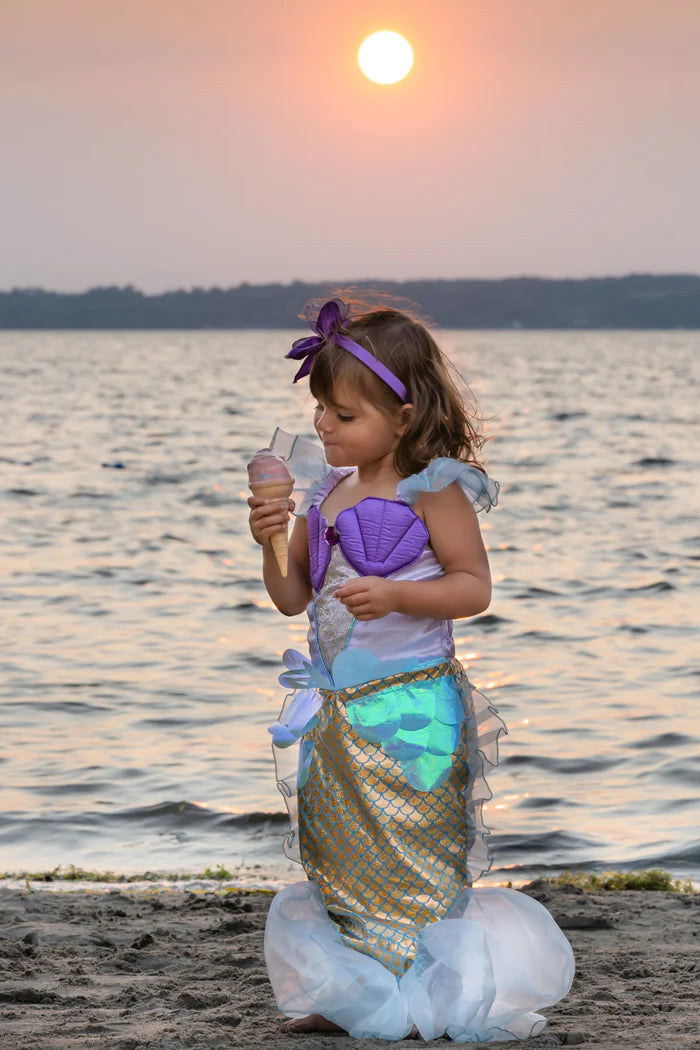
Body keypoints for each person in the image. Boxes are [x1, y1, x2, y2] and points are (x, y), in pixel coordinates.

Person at [247, 297, 574, 1042]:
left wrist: (396, 593)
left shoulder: (435, 490)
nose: (324, 426)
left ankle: (432, 998)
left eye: (344, 415)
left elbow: (473, 587)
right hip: (336, 715)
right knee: (339, 849)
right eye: (321, 411)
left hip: (414, 709)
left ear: (403, 416)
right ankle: (357, 995)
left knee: (419, 850)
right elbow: (292, 596)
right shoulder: (323, 494)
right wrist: (268, 541)